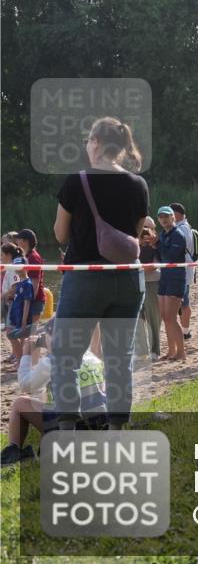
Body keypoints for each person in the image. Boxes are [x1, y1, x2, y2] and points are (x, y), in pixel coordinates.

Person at [51, 116, 148, 430]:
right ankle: (118, 428)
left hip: (86, 278)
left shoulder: (76, 181)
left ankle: (68, 428)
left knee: (67, 356)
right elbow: (133, 236)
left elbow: (60, 235)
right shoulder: (138, 184)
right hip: (129, 278)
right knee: (120, 358)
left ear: (94, 143)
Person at [0, 320, 107, 466]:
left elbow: (26, 385)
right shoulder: (90, 356)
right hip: (101, 422)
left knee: (20, 403)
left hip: (74, 427)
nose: (43, 339)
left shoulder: (52, 361)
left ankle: (15, 450)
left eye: (46, 335)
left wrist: (26, 354)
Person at [155, 206, 188, 361]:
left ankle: (181, 352)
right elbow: (161, 258)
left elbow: (172, 257)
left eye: (166, 216)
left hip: (176, 277)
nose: (163, 219)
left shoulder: (178, 234)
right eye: (161, 217)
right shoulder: (162, 234)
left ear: (173, 217)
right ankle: (171, 350)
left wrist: (157, 244)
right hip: (165, 276)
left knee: (171, 317)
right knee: (164, 316)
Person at [168, 203, 195, 340]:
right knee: (182, 301)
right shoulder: (182, 227)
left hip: (182, 269)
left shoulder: (182, 228)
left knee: (183, 302)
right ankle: (185, 331)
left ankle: (185, 331)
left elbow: (177, 249)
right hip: (182, 268)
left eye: (170, 214)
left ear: (177, 214)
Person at [137, 216, 161, 359]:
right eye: (145, 227)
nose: (147, 231)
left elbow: (155, 264)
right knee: (138, 318)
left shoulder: (156, 244)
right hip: (135, 283)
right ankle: (141, 351)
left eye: (151, 228)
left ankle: (154, 350)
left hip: (152, 282)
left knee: (153, 318)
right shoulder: (133, 244)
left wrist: (137, 268)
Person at [12, 230, 45, 326]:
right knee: (23, 334)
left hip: (35, 301)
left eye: (18, 239)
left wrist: (28, 304)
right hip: (26, 299)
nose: (16, 241)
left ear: (25, 241)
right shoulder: (25, 256)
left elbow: (35, 283)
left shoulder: (34, 258)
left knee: (30, 334)